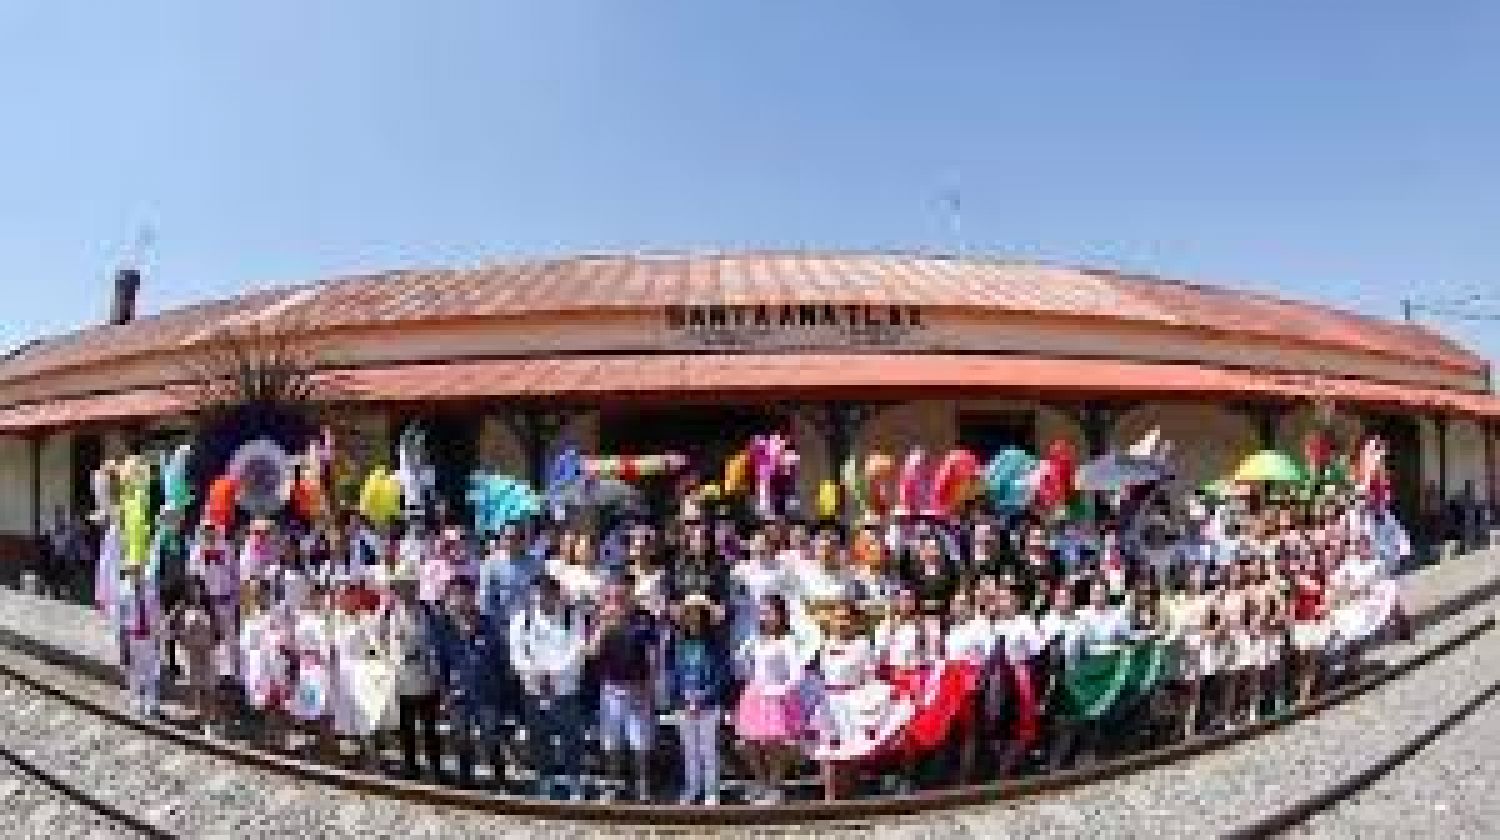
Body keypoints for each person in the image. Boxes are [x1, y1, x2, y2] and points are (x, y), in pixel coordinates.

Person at [510, 574, 587, 801]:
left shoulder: (573, 617)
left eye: (549, 593)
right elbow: (517, 655)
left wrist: (554, 674)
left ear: (557, 594)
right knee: (539, 737)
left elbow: (578, 650)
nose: (544, 597)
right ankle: (545, 779)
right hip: (534, 689)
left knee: (571, 736)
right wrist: (537, 675)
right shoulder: (521, 620)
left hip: (565, 689)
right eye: (539, 593)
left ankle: (574, 781)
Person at [587, 580, 660, 802]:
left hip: (638, 688)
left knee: (640, 742)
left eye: (622, 595)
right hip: (611, 689)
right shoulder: (602, 619)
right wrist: (603, 626)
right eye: (613, 596)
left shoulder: (644, 618)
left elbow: (654, 654)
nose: (618, 600)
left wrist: (649, 687)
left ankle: (642, 786)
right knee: (611, 742)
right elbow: (591, 653)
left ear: (631, 595)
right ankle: (613, 785)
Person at [435, 576, 508, 789]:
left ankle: (500, 781)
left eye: (464, 594)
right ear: (449, 598)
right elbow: (439, 663)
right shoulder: (444, 627)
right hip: (457, 694)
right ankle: (466, 782)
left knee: (491, 737)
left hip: (486, 692)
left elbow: (500, 660)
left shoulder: (488, 624)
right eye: (455, 595)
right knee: (461, 738)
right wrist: (444, 693)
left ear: (473, 597)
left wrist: (500, 692)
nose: (459, 600)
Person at [733, 593, 806, 805]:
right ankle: (761, 782)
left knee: (775, 743)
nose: (765, 615)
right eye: (762, 612)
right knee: (748, 742)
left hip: (776, 695)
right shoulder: (756, 639)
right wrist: (744, 654)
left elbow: (796, 672)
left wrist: (783, 689)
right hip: (755, 694)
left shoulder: (787, 641)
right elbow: (746, 666)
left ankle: (775, 785)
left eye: (770, 611)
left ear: (780, 615)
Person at [667, 593, 730, 805]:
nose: (693, 617)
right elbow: (672, 672)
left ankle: (712, 790)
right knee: (689, 750)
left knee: (708, 749)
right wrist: (682, 700)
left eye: (697, 612)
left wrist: (702, 699)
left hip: (708, 704)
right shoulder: (677, 642)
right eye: (689, 613)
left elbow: (722, 675)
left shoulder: (716, 643)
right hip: (683, 703)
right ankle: (692, 788)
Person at [385, 566, 444, 782]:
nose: (407, 590)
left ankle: (435, 768)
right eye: (402, 586)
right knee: (406, 729)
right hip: (402, 679)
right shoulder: (389, 612)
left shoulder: (428, 610)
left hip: (428, 676)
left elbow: (438, 639)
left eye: (410, 586)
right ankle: (410, 768)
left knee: (430, 728)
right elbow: (382, 640)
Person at [169, 576, 221, 732]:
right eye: (193, 589)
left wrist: (213, 643)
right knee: (195, 684)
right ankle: (197, 717)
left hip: (207, 651)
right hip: (191, 652)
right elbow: (171, 628)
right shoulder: (182, 609)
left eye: (198, 589)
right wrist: (182, 640)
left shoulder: (209, 608)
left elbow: (218, 630)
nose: (196, 592)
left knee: (209, 685)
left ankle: (209, 720)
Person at [118, 564, 164, 718]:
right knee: (135, 670)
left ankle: (152, 703)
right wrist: (123, 642)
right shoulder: (124, 593)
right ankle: (137, 700)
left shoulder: (150, 592)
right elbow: (122, 620)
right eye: (133, 571)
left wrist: (158, 637)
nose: (136, 575)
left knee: (152, 670)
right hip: (133, 635)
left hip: (149, 635)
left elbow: (157, 615)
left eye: (139, 571)